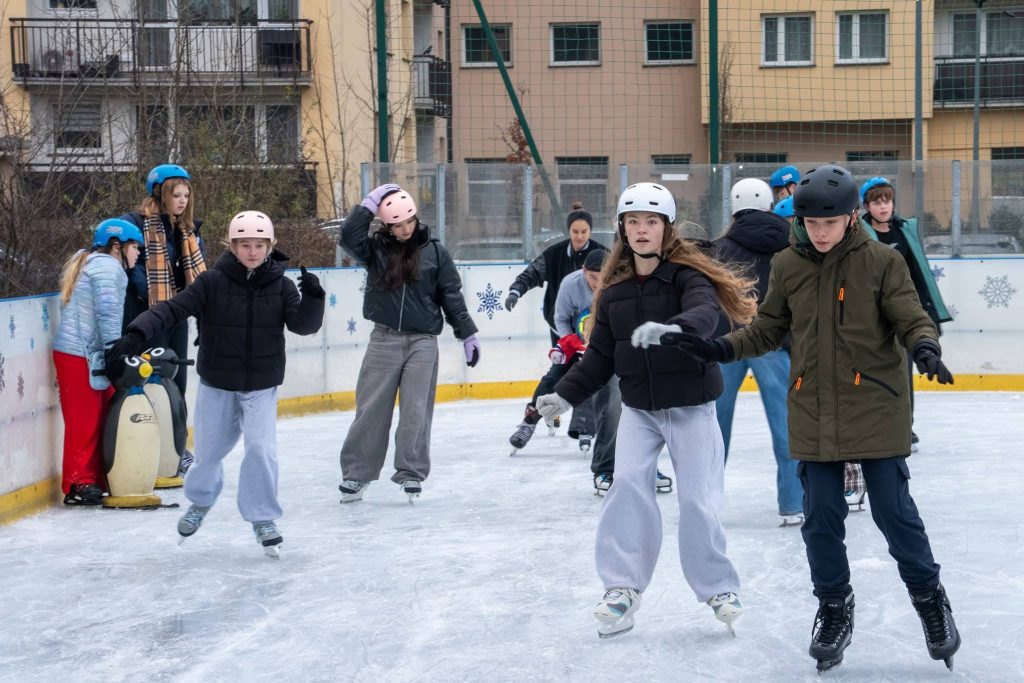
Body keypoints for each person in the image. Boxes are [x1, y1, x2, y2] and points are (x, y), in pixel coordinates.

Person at [661, 164, 960, 673]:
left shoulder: (882, 262)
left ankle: (932, 603)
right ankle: (834, 609)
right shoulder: (788, 265)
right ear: (799, 220)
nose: (820, 232)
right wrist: (715, 347)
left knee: (895, 515)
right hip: (814, 410)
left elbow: (911, 316)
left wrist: (925, 346)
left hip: (875, 408)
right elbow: (766, 330)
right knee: (820, 522)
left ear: (851, 218)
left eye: (830, 223)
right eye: (811, 223)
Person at [535, 182, 759, 639]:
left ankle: (718, 588)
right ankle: (622, 589)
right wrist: (565, 394)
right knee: (628, 489)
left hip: (692, 407)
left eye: (651, 222)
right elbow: (598, 358)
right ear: (621, 228)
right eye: (633, 221)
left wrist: (673, 329)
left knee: (697, 498)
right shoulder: (614, 294)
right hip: (640, 410)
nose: (641, 230)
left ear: (666, 229)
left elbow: (705, 313)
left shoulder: (686, 277)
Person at [105, 211, 325, 557]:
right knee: (208, 455)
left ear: (270, 246)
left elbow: (303, 327)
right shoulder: (212, 282)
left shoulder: (282, 287)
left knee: (261, 450)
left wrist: (314, 298)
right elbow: (172, 309)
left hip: (261, 385)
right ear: (232, 246)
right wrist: (136, 334)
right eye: (244, 245)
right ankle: (201, 502)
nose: (252, 251)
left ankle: (262, 518)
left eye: (258, 245)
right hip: (218, 383)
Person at [337, 184, 480, 503]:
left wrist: (466, 332)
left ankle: (411, 473)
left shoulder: (435, 252)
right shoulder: (375, 249)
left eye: (408, 223)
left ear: (416, 218)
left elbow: (451, 296)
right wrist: (368, 205)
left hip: (422, 341)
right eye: (396, 225)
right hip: (384, 338)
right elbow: (347, 237)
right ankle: (356, 474)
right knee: (371, 409)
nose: (404, 230)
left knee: (416, 409)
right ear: (385, 226)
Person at [843, 176, 954, 510]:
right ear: (866, 206)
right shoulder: (858, 233)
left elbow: (919, 275)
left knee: (903, 376)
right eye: (876, 201)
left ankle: (904, 427)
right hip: (871, 319)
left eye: (887, 200)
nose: (883, 206)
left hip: (903, 314)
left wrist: (928, 317)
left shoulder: (904, 231)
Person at [713, 178, 803, 526]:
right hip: (773, 342)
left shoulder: (718, 248)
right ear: (769, 204)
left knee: (713, 426)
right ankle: (793, 502)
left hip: (727, 344)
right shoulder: (789, 243)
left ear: (734, 208)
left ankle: (706, 503)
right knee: (786, 424)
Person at [53, 219, 143, 505]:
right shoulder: (106, 266)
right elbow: (107, 312)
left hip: (86, 354)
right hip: (79, 354)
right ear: (117, 246)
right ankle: (79, 482)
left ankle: (97, 477)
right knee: (85, 421)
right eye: (134, 246)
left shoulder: (98, 263)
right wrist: (113, 351)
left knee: (103, 414)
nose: (138, 252)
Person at [504, 201, 607, 436]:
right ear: (568, 231)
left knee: (589, 371)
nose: (580, 236)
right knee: (560, 370)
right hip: (561, 326)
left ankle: (585, 424)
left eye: (584, 232)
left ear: (590, 231)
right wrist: (516, 290)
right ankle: (534, 417)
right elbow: (533, 272)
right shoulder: (555, 254)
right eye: (575, 232)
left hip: (595, 329)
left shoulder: (602, 255)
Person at [121, 164, 206, 401]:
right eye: (176, 195)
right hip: (144, 314)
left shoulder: (189, 230)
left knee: (175, 374)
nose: (183, 202)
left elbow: (201, 279)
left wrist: (201, 319)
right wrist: (147, 293)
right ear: (160, 193)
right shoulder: (135, 223)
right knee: (148, 375)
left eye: (186, 196)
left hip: (177, 314)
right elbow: (131, 265)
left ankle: (175, 428)